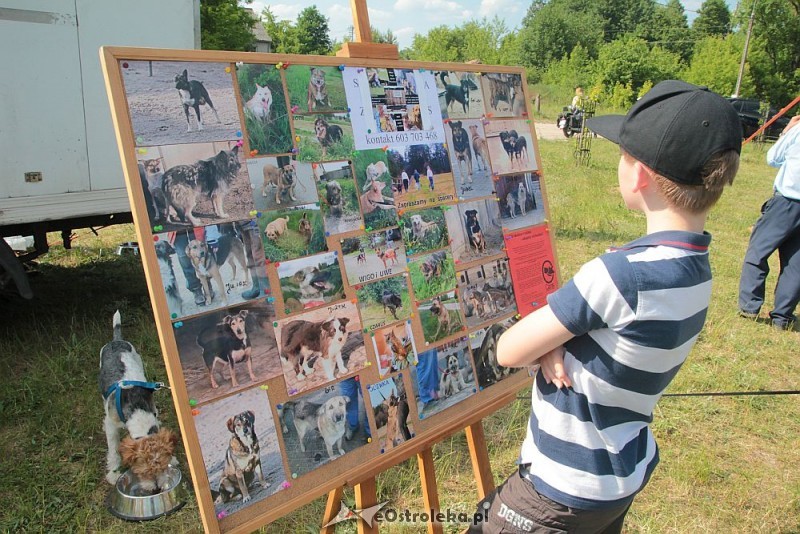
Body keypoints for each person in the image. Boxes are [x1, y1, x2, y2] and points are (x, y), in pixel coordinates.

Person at [469, 81, 741, 533]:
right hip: (616, 480)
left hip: (558, 488)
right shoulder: (696, 268)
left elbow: (508, 350)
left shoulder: (620, 274)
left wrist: (547, 341)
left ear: (640, 175)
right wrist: (561, 339)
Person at [738, 115, 800, 331]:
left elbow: (773, 158)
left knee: (758, 251)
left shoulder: (798, 130)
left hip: (786, 202)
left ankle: (749, 307)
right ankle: (782, 317)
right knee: (796, 265)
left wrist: (787, 131)